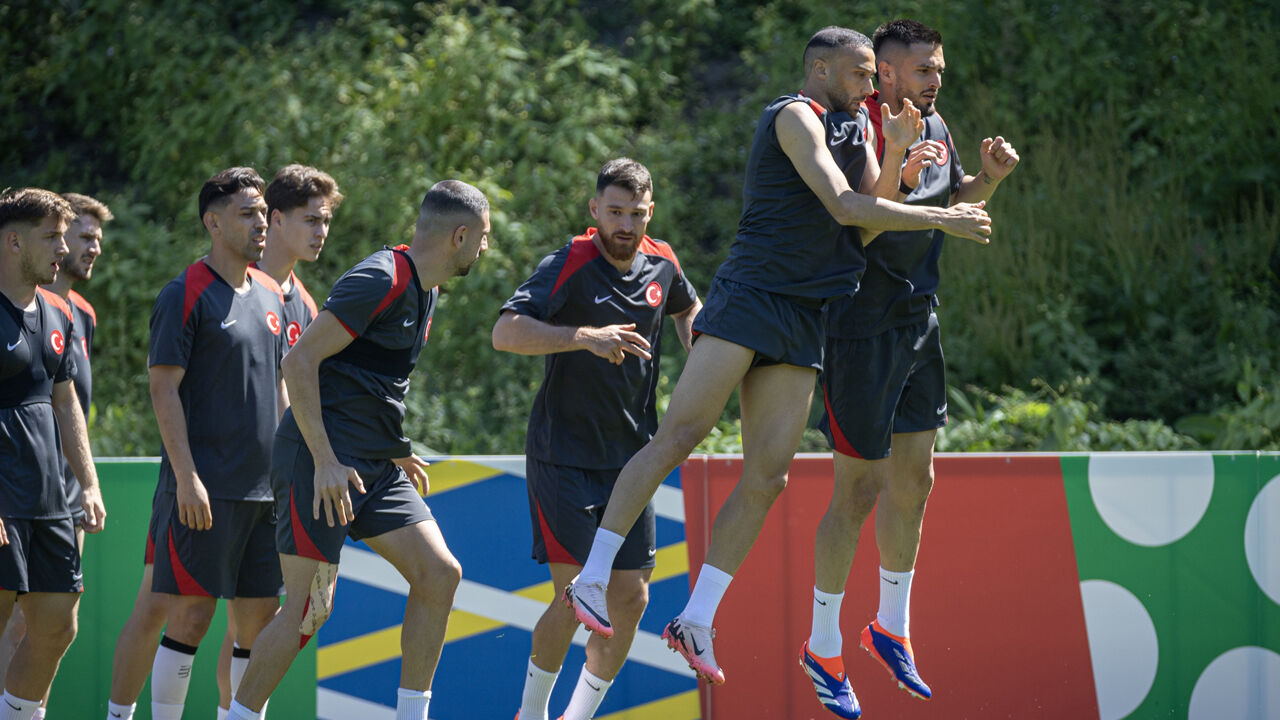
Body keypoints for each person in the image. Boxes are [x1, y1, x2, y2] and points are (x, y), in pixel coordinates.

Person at [564, 25, 993, 690]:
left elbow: (870, 220)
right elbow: (846, 206)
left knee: (769, 477)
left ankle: (697, 617)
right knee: (680, 436)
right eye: (859, 75)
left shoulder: (855, 131)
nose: (869, 87)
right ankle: (592, 577)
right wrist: (943, 217)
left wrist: (903, 159)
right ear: (822, 71)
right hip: (750, 298)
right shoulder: (793, 115)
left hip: (804, 316)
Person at [803, 19, 1020, 717]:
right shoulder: (855, 129)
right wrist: (933, 206)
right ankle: (822, 642)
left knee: (916, 480)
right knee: (858, 491)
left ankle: (889, 626)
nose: (936, 81)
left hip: (918, 318)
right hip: (861, 325)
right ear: (886, 73)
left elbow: (949, 207)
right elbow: (862, 222)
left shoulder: (938, 123)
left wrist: (984, 180)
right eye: (924, 70)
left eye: (940, 70)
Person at [225, 180, 490, 720]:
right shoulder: (381, 279)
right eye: (482, 238)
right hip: (320, 462)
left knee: (441, 575)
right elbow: (298, 363)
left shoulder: (427, 289)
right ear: (460, 235)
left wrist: (395, 448)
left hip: (374, 466)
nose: (484, 249)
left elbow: (369, 379)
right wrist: (324, 460)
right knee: (305, 611)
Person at [494, 158, 701, 720]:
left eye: (636, 213)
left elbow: (688, 314)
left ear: (650, 212)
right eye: (614, 212)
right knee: (576, 599)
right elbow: (504, 332)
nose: (625, 225)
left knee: (631, 599)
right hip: (563, 457)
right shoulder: (570, 262)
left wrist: (705, 351)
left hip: (632, 460)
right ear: (594, 211)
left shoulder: (663, 263)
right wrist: (582, 336)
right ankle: (531, 714)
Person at [104, 167, 288, 720]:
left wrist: (291, 470)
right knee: (190, 616)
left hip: (266, 493)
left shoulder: (275, 293)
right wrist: (187, 478)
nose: (261, 223)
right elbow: (163, 387)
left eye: (263, 213)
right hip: (204, 489)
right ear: (213, 222)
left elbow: (279, 387)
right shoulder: (184, 293)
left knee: (258, 619)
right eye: (247, 213)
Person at [207, 165, 343, 719]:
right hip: (222, 476)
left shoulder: (306, 304)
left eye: (327, 222)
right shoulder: (230, 280)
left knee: (263, 618)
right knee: (188, 616)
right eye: (310, 220)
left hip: (280, 477)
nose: (320, 232)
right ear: (276, 218)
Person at [0, 192, 111, 720]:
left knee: (57, 624)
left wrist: (88, 484)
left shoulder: (58, 311)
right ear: (13, 240)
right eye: (51, 236)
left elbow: (67, 403)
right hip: (4, 500)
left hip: (52, 502)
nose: (63, 249)